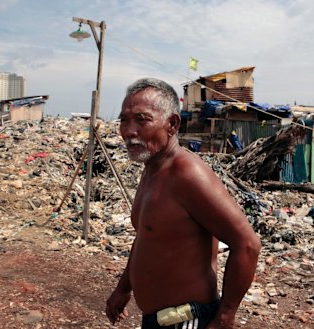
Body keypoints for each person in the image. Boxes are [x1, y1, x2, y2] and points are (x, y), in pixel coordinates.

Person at [106, 78, 261, 328]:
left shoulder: (188, 175)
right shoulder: (152, 170)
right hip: (158, 320)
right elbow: (147, 239)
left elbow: (247, 244)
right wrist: (123, 288)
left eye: (142, 119)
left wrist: (225, 315)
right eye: (124, 120)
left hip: (187, 320)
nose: (129, 131)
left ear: (172, 124)